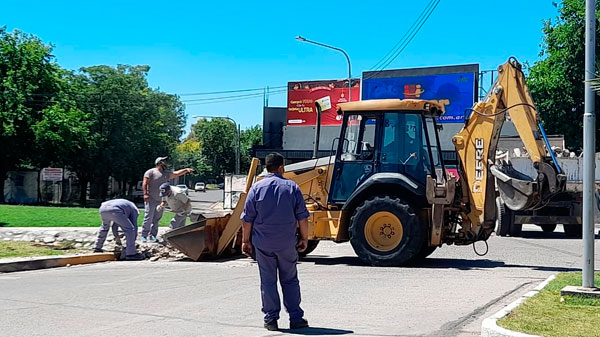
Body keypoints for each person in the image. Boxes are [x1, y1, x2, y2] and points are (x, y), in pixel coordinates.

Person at [241, 153, 310, 331]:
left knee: (268, 280)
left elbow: (247, 219)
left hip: (263, 243)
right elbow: (302, 218)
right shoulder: (292, 187)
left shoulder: (256, 188)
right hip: (287, 243)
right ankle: (296, 318)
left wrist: (245, 241)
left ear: (266, 168)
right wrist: (304, 238)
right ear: (281, 168)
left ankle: (271, 319)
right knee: (290, 280)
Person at [141, 156, 193, 243]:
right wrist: (145, 194)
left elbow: (176, 174)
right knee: (148, 217)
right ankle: (144, 236)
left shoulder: (166, 173)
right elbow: (145, 183)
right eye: (164, 161)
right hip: (151, 198)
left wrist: (186, 170)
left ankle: (152, 235)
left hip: (161, 199)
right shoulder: (151, 172)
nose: (166, 163)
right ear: (159, 163)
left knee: (157, 218)